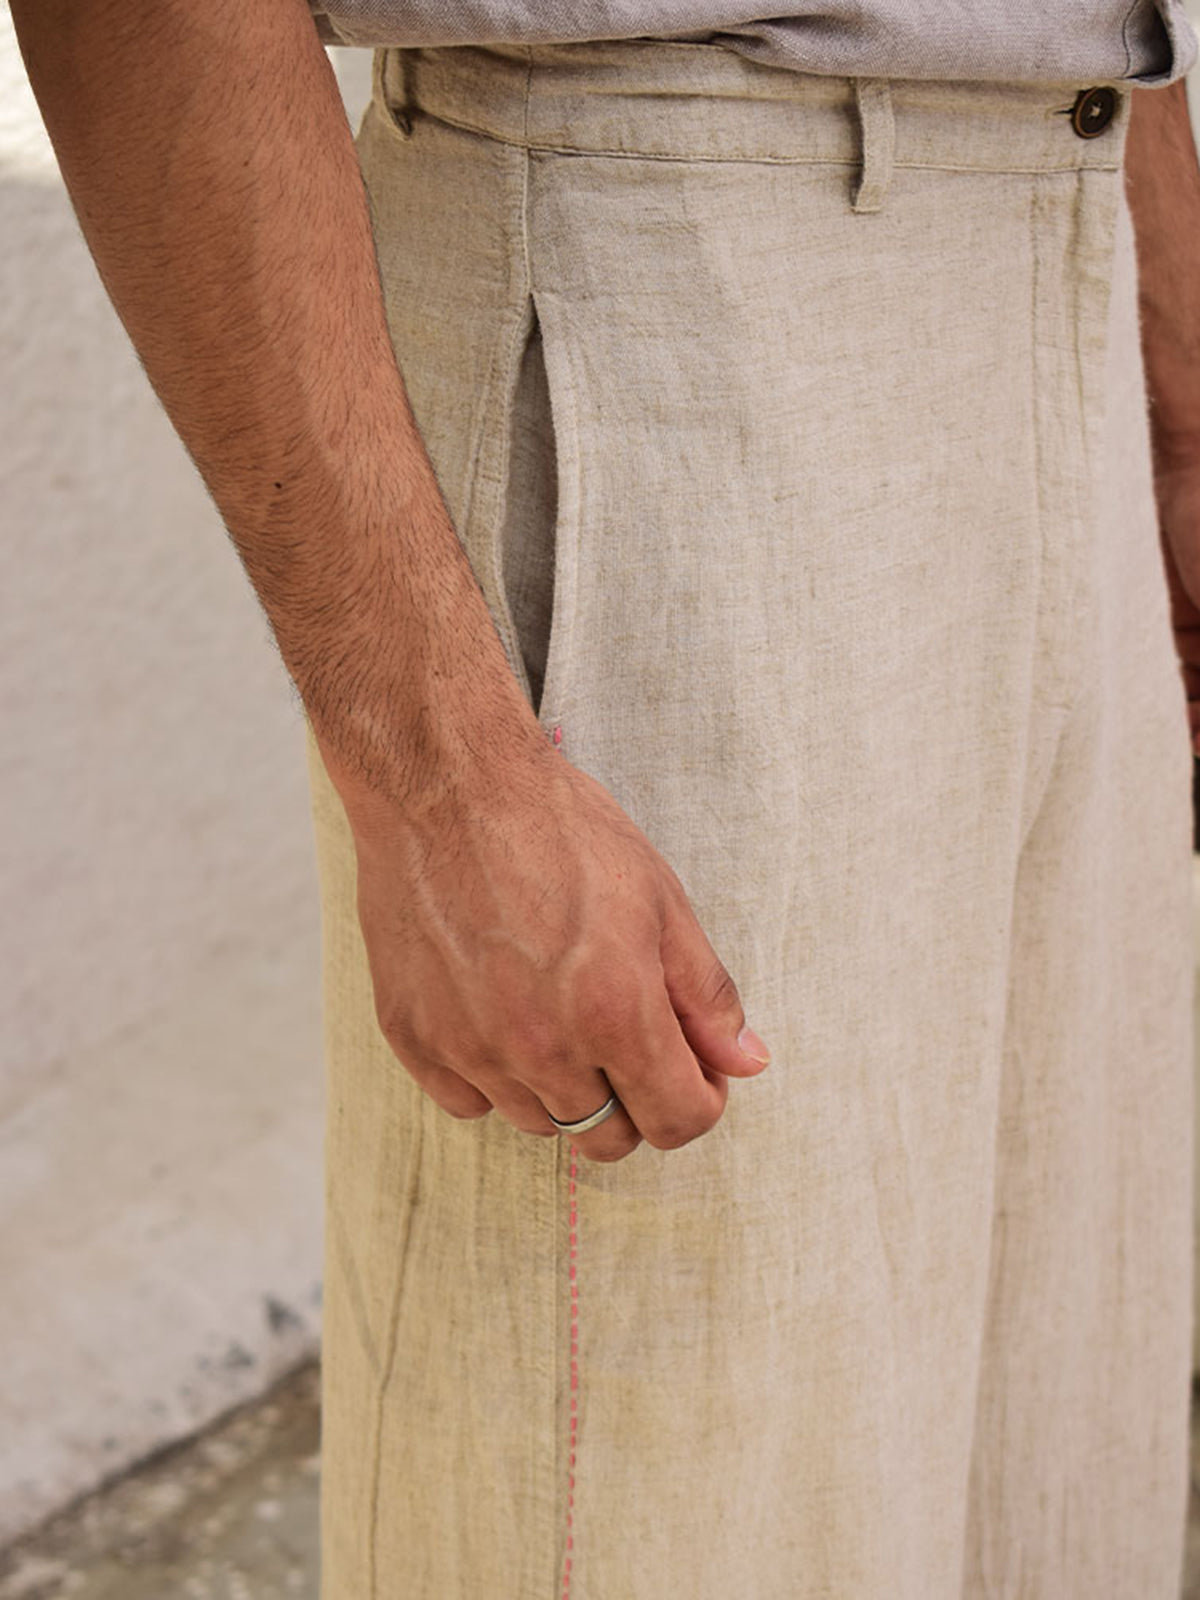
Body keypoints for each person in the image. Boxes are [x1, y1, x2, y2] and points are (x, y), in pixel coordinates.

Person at [11, 1, 1200, 1595]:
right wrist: (439, 777)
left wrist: (1178, 395)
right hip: (665, 287)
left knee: (1061, 1512)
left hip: (1080, 213)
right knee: (682, 1520)